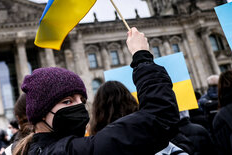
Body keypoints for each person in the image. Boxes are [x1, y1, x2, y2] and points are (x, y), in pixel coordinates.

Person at [13, 27, 179, 155]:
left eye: (82, 101)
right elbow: (160, 118)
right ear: (41, 112)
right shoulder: (73, 151)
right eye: (68, 101)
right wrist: (142, 57)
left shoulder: (34, 149)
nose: (80, 107)